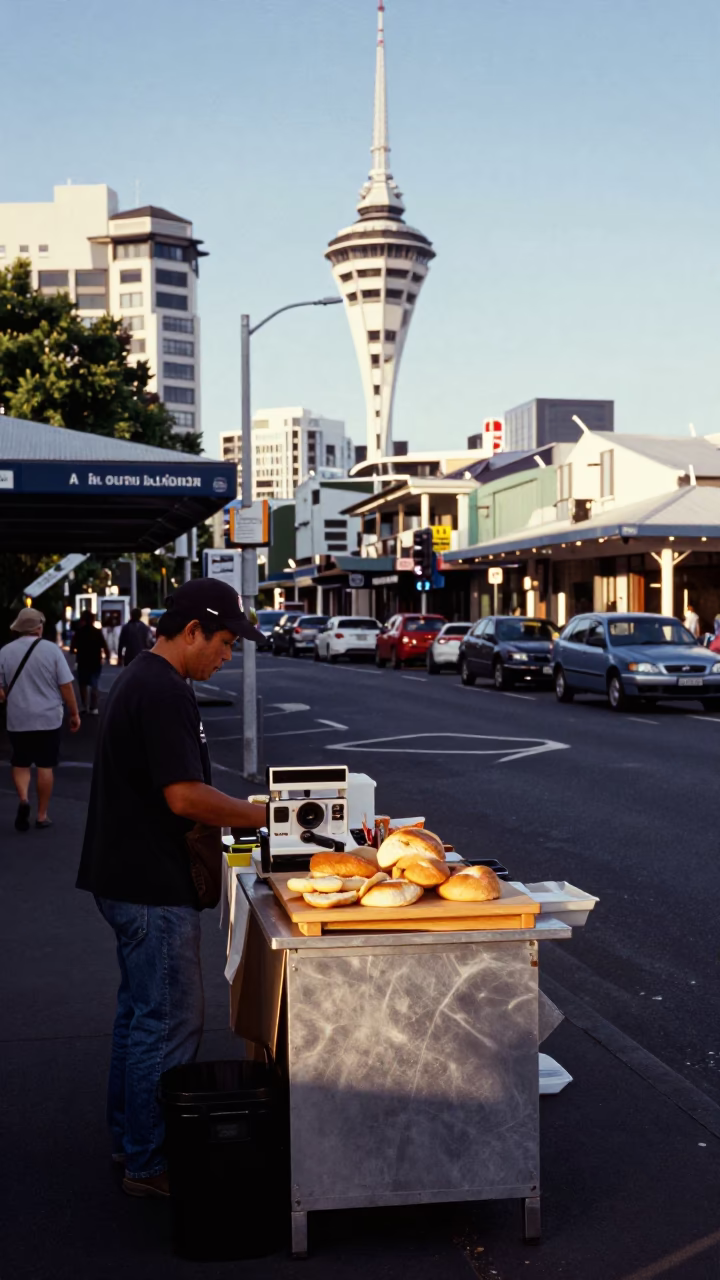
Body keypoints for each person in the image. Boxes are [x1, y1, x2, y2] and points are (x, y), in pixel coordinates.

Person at [76, 579, 266, 1199]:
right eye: (225, 642)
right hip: (152, 885)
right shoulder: (163, 692)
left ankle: (129, 1138)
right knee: (168, 1020)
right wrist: (264, 814)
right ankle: (150, 1161)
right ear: (191, 633)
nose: (228, 655)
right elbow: (182, 794)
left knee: (138, 1018)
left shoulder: (139, 678)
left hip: (122, 876)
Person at [0, 607, 81, 831]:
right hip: (48, 718)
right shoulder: (52, 651)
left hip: (18, 718)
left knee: (21, 762)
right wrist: (74, 713)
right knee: (45, 765)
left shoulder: (5, 652)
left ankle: (24, 799)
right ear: (39, 627)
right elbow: (65, 686)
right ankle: (42, 815)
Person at [71, 610, 109, 714]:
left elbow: (72, 648)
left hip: (82, 661)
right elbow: (104, 645)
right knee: (94, 684)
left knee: (82, 684)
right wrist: (107, 655)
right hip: (95, 660)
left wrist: (77, 650)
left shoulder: (79, 632)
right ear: (92, 620)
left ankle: (84, 706)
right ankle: (94, 707)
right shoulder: (97, 632)